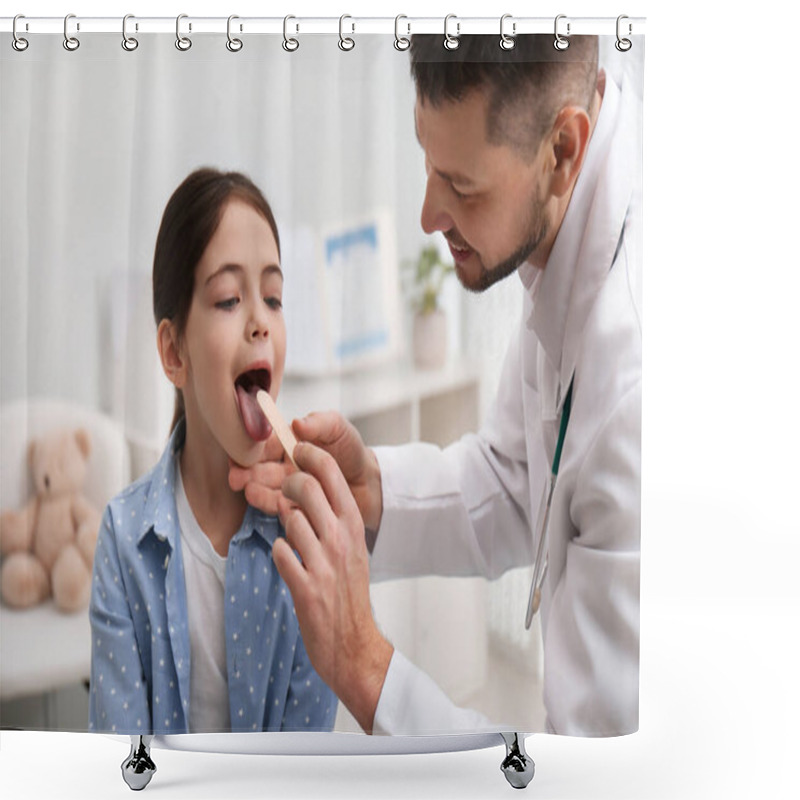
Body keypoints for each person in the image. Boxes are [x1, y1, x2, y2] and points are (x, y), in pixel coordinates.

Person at [231, 33, 641, 737]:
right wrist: (374, 493)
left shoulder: (639, 384)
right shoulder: (565, 220)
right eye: (428, 164)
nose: (427, 216)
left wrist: (364, 666)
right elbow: (516, 480)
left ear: (562, 151)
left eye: (462, 186)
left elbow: (591, 776)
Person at [89, 168, 337, 735]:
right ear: (174, 352)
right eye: (229, 298)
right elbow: (118, 762)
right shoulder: (125, 541)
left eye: (273, 297)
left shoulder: (304, 538)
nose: (261, 324)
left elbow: (306, 764)